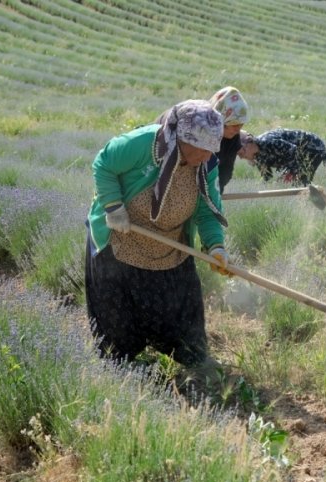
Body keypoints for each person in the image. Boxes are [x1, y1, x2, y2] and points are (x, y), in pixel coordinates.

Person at [85, 99, 231, 387]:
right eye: (200, 148)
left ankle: (194, 362)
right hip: (121, 239)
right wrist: (114, 207)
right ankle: (120, 373)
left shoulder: (206, 163)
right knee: (118, 318)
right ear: (180, 139)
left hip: (169, 245)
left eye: (210, 150)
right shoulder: (143, 144)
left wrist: (216, 246)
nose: (205, 156)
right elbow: (103, 163)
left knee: (180, 307)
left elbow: (207, 208)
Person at [156, 86, 249, 194]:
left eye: (241, 125)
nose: (238, 130)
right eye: (234, 124)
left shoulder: (232, 138)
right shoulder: (194, 124)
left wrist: (214, 194)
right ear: (220, 120)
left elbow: (225, 171)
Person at [237, 128, 326, 186]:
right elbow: (267, 177)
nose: (241, 157)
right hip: (299, 153)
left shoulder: (268, 142)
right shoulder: (258, 157)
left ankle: (310, 206)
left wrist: (290, 173)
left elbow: (293, 151)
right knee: (289, 184)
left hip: (313, 147)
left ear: (248, 144)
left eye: (241, 154)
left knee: (301, 183)